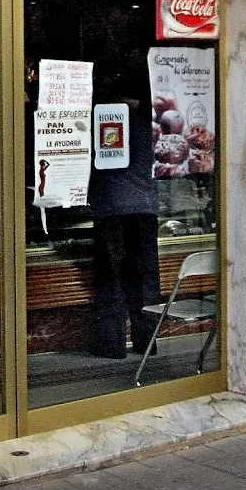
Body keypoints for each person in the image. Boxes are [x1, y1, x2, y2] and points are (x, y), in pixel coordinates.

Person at [87, 76, 161, 359]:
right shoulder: (150, 125)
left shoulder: (102, 119)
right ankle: (147, 341)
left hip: (110, 209)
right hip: (145, 209)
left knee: (111, 278)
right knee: (144, 280)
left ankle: (111, 344)